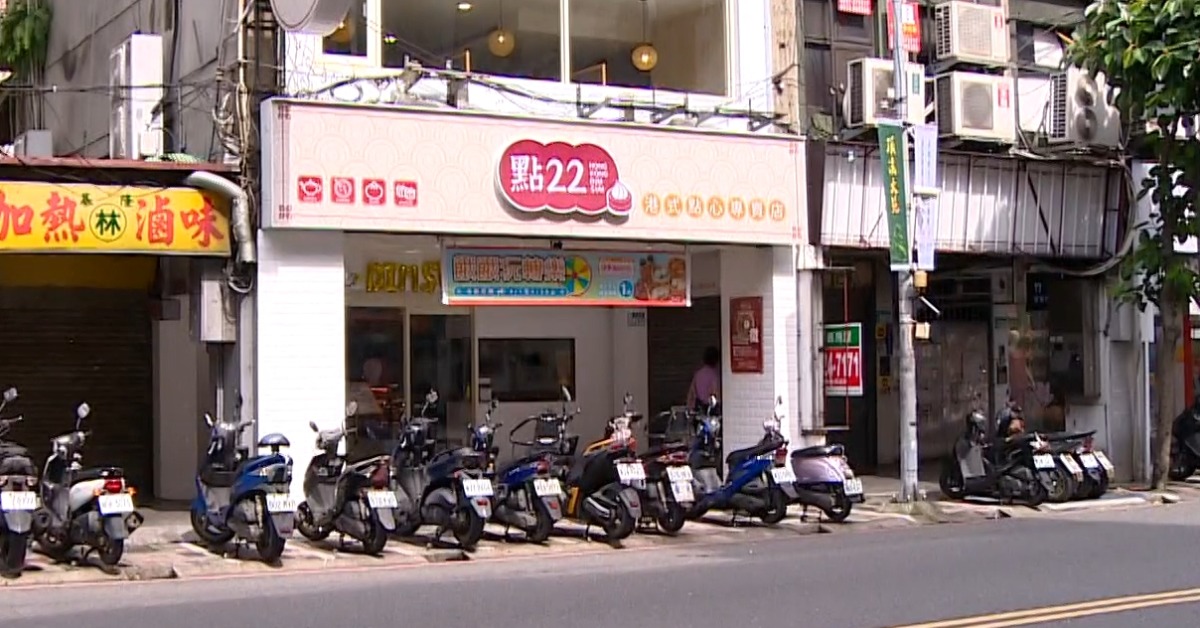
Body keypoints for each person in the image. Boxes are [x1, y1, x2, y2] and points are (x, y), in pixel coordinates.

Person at [686, 346, 721, 411]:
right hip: (713, 409)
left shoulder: (698, 374)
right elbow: (717, 394)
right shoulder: (717, 375)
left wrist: (689, 409)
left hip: (699, 409)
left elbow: (691, 394)